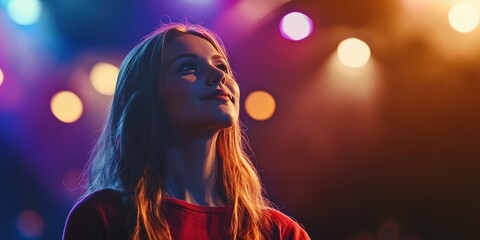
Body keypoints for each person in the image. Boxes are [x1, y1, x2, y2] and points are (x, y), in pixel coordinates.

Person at [62, 22, 310, 240]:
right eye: (188, 68)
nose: (218, 75)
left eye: (222, 66)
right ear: (148, 99)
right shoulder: (104, 217)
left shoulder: (280, 232)